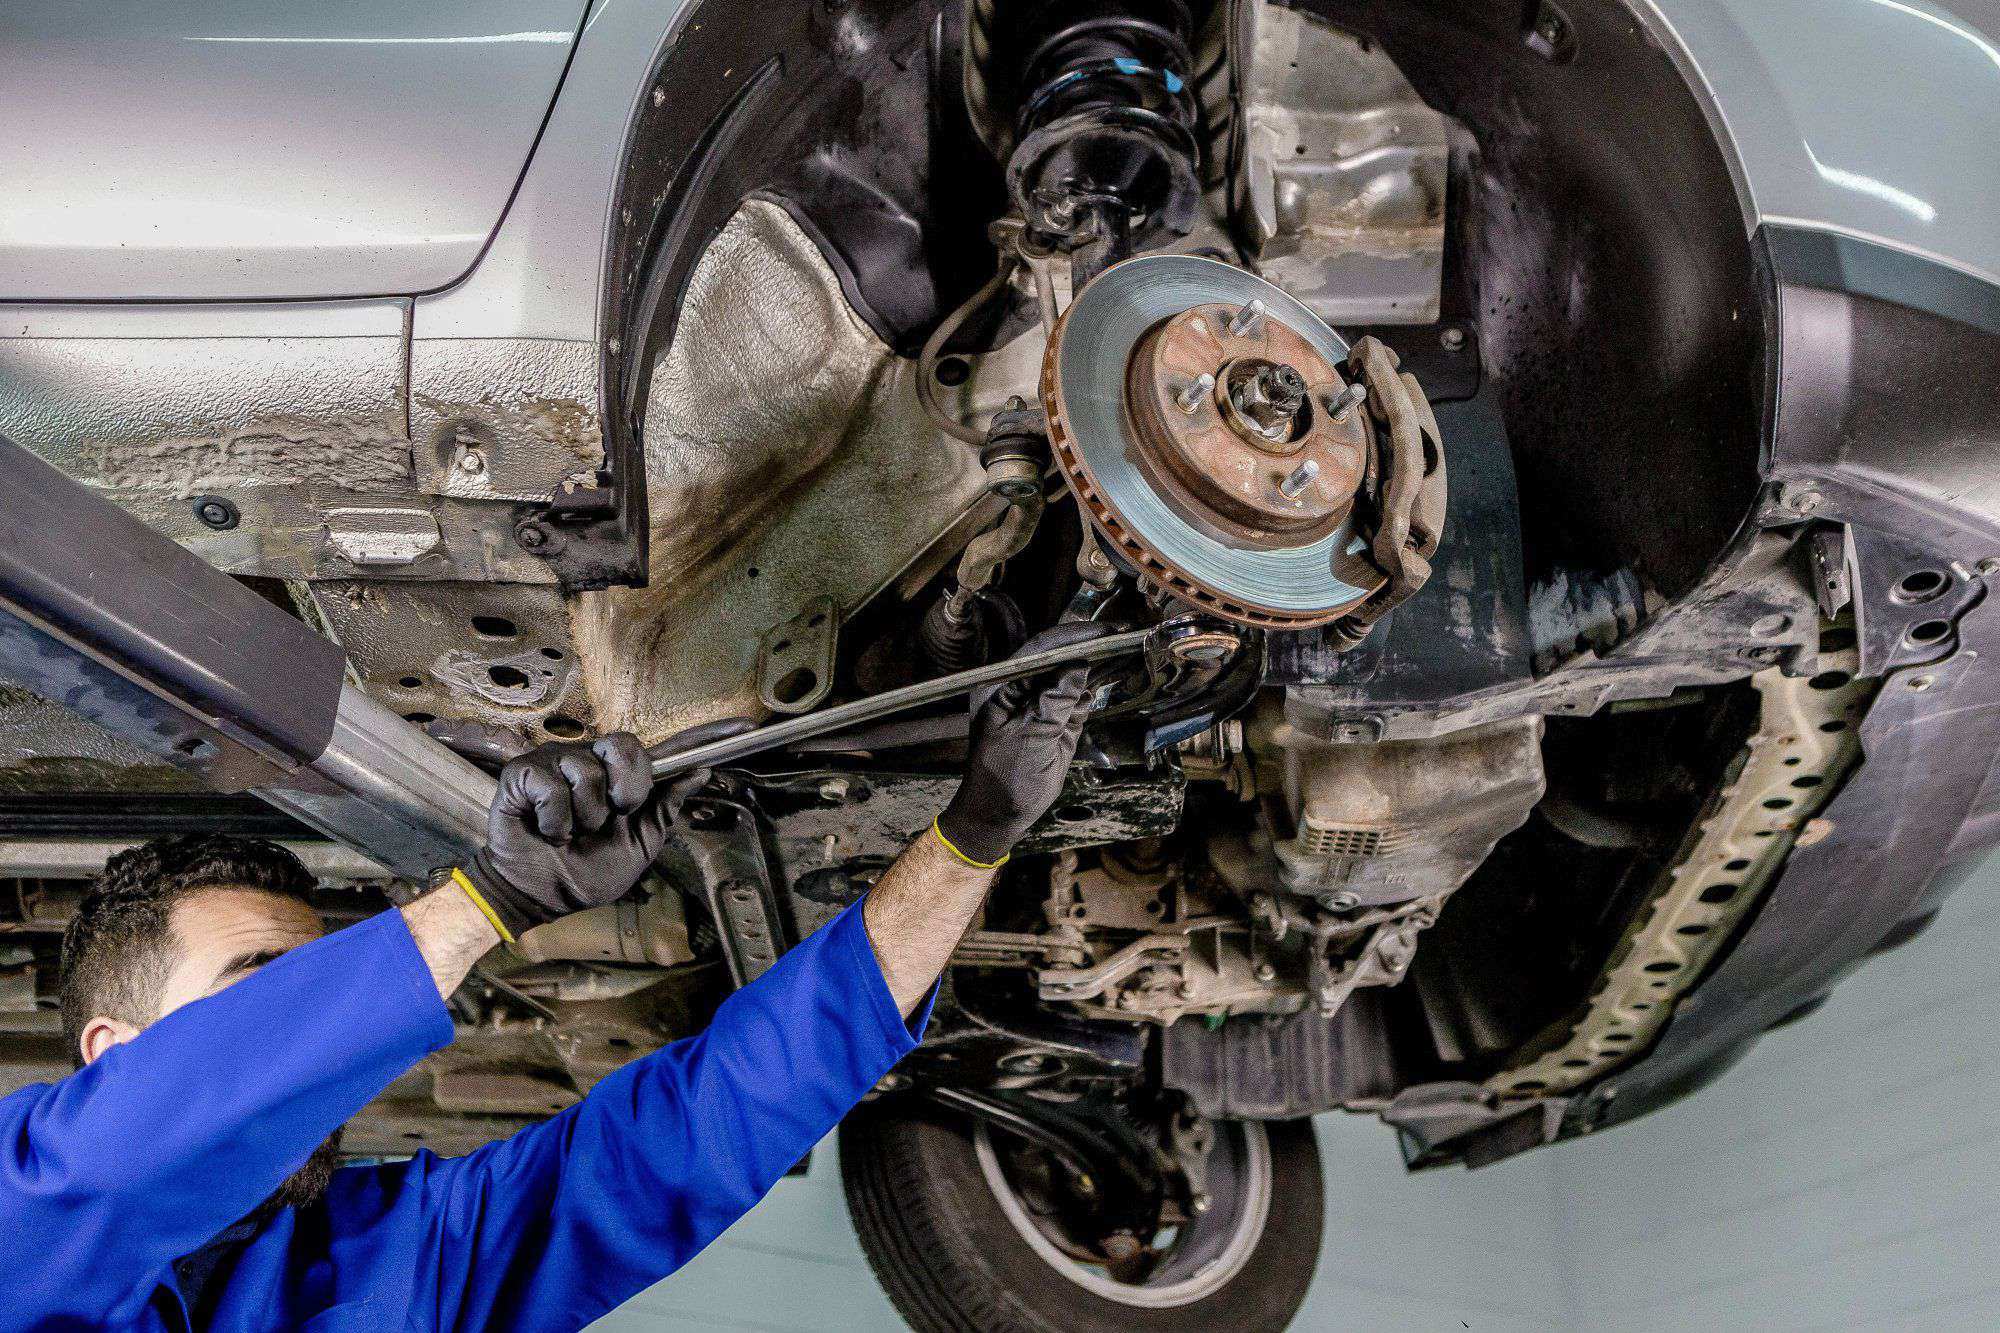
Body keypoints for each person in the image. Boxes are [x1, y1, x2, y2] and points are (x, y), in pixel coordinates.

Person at [0, 628, 1102, 1332]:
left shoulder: (389, 1259)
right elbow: (99, 1173)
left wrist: (973, 835)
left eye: (321, 978)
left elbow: (694, 1135)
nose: (320, 1028)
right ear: (112, 1049)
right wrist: (486, 903)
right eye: (258, 982)